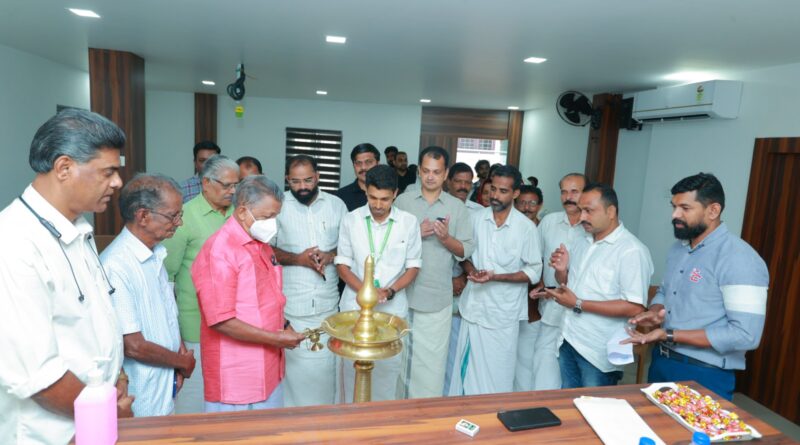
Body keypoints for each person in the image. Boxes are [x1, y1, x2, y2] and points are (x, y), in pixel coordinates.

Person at [0, 109, 132, 444]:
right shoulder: (13, 242)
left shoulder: (78, 230)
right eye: (108, 172)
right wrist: (107, 412)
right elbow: (38, 376)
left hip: (92, 425)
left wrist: (117, 376)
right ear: (64, 168)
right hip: (49, 434)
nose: (117, 183)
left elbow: (94, 322)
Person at [624, 173, 769, 401]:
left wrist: (670, 334)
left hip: (704, 373)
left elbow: (745, 335)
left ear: (713, 211)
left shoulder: (739, 258)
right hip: (662, 362)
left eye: (685, 208)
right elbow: (664, 290)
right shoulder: (679, 249)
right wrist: (655, 311)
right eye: (674, 207)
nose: (675, 215)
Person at [192, 175, 305, 412]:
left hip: (269, 369)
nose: (272, 224)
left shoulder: (260, 244)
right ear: (243, 212)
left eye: (275, 216)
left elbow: (267, 297)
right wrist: (276, 339)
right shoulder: (219, 251)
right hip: (236, 377)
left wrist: (284, 325)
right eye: (267, 217)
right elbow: (221, 320)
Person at [101, 174, 196, 416]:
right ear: (143, 216)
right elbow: (133, 345)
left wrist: (179, 357)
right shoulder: (116, 265)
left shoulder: (155, 254)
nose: (179, 223)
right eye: (173, 216)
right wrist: (181, 362)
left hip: (164, 386)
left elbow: (168, 315)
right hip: (141, 394)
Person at [540, 183, 653, 388]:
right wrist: (561, 270)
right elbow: (568, 285)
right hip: (568, 339)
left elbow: (635, 307)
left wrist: (578, 303)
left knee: (594, 405)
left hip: (598, 350)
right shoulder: (582, 242)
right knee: (568, 403)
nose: (582, 217)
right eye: (581, 210)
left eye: (589, 211)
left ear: (611, 212)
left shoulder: (631, 251)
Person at [450, 165, 543, 396]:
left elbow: (534, 271)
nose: (495, 195)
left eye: (503, 191)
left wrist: (497, 277)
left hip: (504, 315)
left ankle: (493, 415)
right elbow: (462, 255)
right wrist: (472, 271)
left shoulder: (526, 228)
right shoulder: (475, 219)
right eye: (493, 189)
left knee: (499, 375)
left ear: (515, 193)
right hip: (474, 309)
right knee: (465, 374)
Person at [335, 165, 421, 401]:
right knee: (351, 374)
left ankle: (379, 422)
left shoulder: (408, 222)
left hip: (391, 309)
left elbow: (413, 266)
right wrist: (366, 290)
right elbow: (342, 265)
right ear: (366, 191)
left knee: (387, 374)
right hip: (355, 307)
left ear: (395, 194)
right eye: (372, 197)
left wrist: (390, 291)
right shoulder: (351, 220)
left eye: (384, 199)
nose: (378, 204)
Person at [395, 147, 474, 399]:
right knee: (398, 360)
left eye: (436, 172)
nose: (430, 177)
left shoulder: (457, 208)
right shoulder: (403, 202)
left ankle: (424, 413)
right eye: (426, 171)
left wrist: (446, 238)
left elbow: (465, 250)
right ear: (419, 171)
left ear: (445, 174)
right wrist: (415, 234)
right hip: (402, 293)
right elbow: (387, 244)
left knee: (431, 364)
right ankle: (398, 412)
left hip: (437, 296)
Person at [163, 154, 238, 414]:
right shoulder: (185, 217)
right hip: (195, 325)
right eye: (226, 185)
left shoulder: (238, 216)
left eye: (235, 185)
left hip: (234, 325)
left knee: (226, 401)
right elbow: (167, 278)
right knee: (194, 403)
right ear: (206, 183)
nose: (232, 191)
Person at [272, 155, 347, 407]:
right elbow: (264, 251)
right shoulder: (278, 205)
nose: (302, 186)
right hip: (292, 308)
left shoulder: (336, 205)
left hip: (327, 306)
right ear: (287, 179)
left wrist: (330, 255)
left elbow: (349, 246)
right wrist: (298, 259)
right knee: (294, 378)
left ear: (317, 177)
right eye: (295, 181)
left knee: (326, 374)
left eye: (307, 180)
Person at [515, 173, 587, 392]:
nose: (568, 197)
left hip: (583, 308)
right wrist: (539, 285)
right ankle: (541, 403)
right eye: (564, 192)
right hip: (550, 303)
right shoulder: (549, 222)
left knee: (574, 365)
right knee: (543, 358)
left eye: (574, 191)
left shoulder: (592, 226)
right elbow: (534, 259)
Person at [443, 162, 485, 395]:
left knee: (458, 351)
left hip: (466, 289)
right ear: (448, 181)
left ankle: (454, 397)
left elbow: (478, 253)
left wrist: (464, 278)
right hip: (438, 287)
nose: (463, 186)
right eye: (458, 181)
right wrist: (448, 280)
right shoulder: (438, 207)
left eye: (467, 182)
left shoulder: (479, 213)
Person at [336, 143, 380, 211]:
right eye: (358, 163)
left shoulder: (389, 193)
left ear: (378, 164)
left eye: (368, 162)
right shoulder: (340, 196)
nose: (363, 167)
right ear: (353, 166)